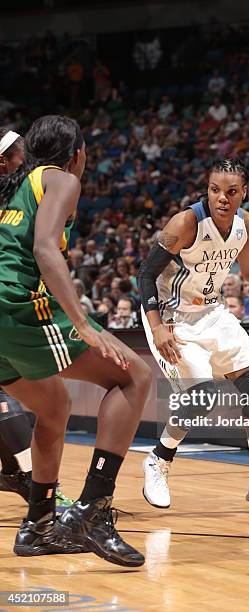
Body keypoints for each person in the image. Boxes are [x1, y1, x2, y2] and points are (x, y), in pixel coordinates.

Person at [0, 115, 151, 565]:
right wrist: (82, 322)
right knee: (136, 377)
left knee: (54, 405)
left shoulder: (15, 189)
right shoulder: (60, 179)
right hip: (19, 309)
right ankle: (91, 511)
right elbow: (46, 249)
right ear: (78, 154)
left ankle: (38, 526)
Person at [139, 158, 249, 510]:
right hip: (170, 317)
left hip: (211, 311)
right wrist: (158, 325)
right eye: (215, 190)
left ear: (244, 194)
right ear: (207, 190)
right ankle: (158, 460)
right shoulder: (186, 222)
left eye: (231, 191)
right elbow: (146, 273)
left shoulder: (245, 224)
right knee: (201, 396)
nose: (222, 198)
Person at [0, 127, 72, 512]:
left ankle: (22, 475)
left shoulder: (22, 193)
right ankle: (28, 480)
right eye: (20, 155)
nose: (27, 162)